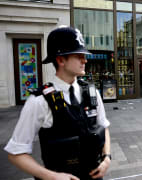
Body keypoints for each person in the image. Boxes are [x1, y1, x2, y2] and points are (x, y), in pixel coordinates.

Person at [4, 26, 111, 180]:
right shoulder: (39, 101)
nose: (85, 60)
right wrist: (52, 176)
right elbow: (16, 153)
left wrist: (107, 157)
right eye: (79, 55)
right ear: (60, 59)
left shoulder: (92, 92)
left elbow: (103, 126)